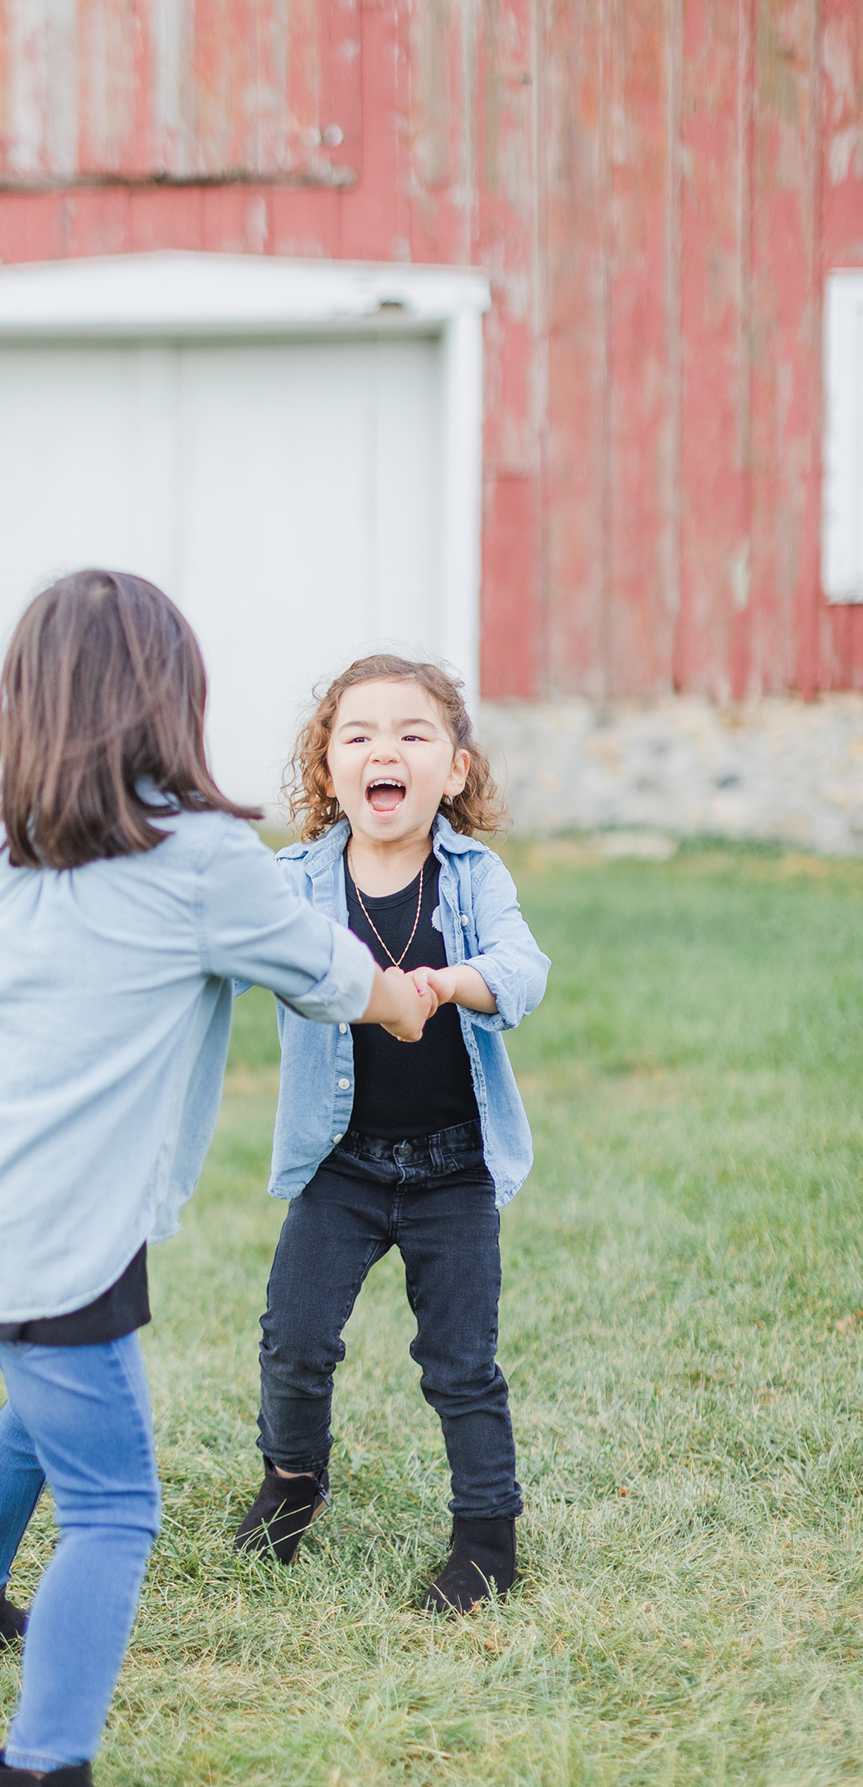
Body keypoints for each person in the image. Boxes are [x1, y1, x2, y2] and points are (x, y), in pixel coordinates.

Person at [0, 571, 435, 1787]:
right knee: (115, 1507)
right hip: (54, 1231)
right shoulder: (199, 861)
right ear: (168, 700)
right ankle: (40, 1773)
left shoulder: (7, 846)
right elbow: (331, 973)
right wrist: (410, 995)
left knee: (40, 1408)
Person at [231, 655, 550, 1612]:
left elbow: (524, 971)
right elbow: (236, 954)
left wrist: (452, 983)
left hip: (455, 1164)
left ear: (454, 770)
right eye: (359, 733)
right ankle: (292, 1482)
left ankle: (487, 1532)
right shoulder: (292, 883)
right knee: (294, 1336)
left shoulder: (473, 875)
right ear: (329, 771)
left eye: (414, 734)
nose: (386, 749)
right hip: (341, 1162)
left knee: (460, 1360)